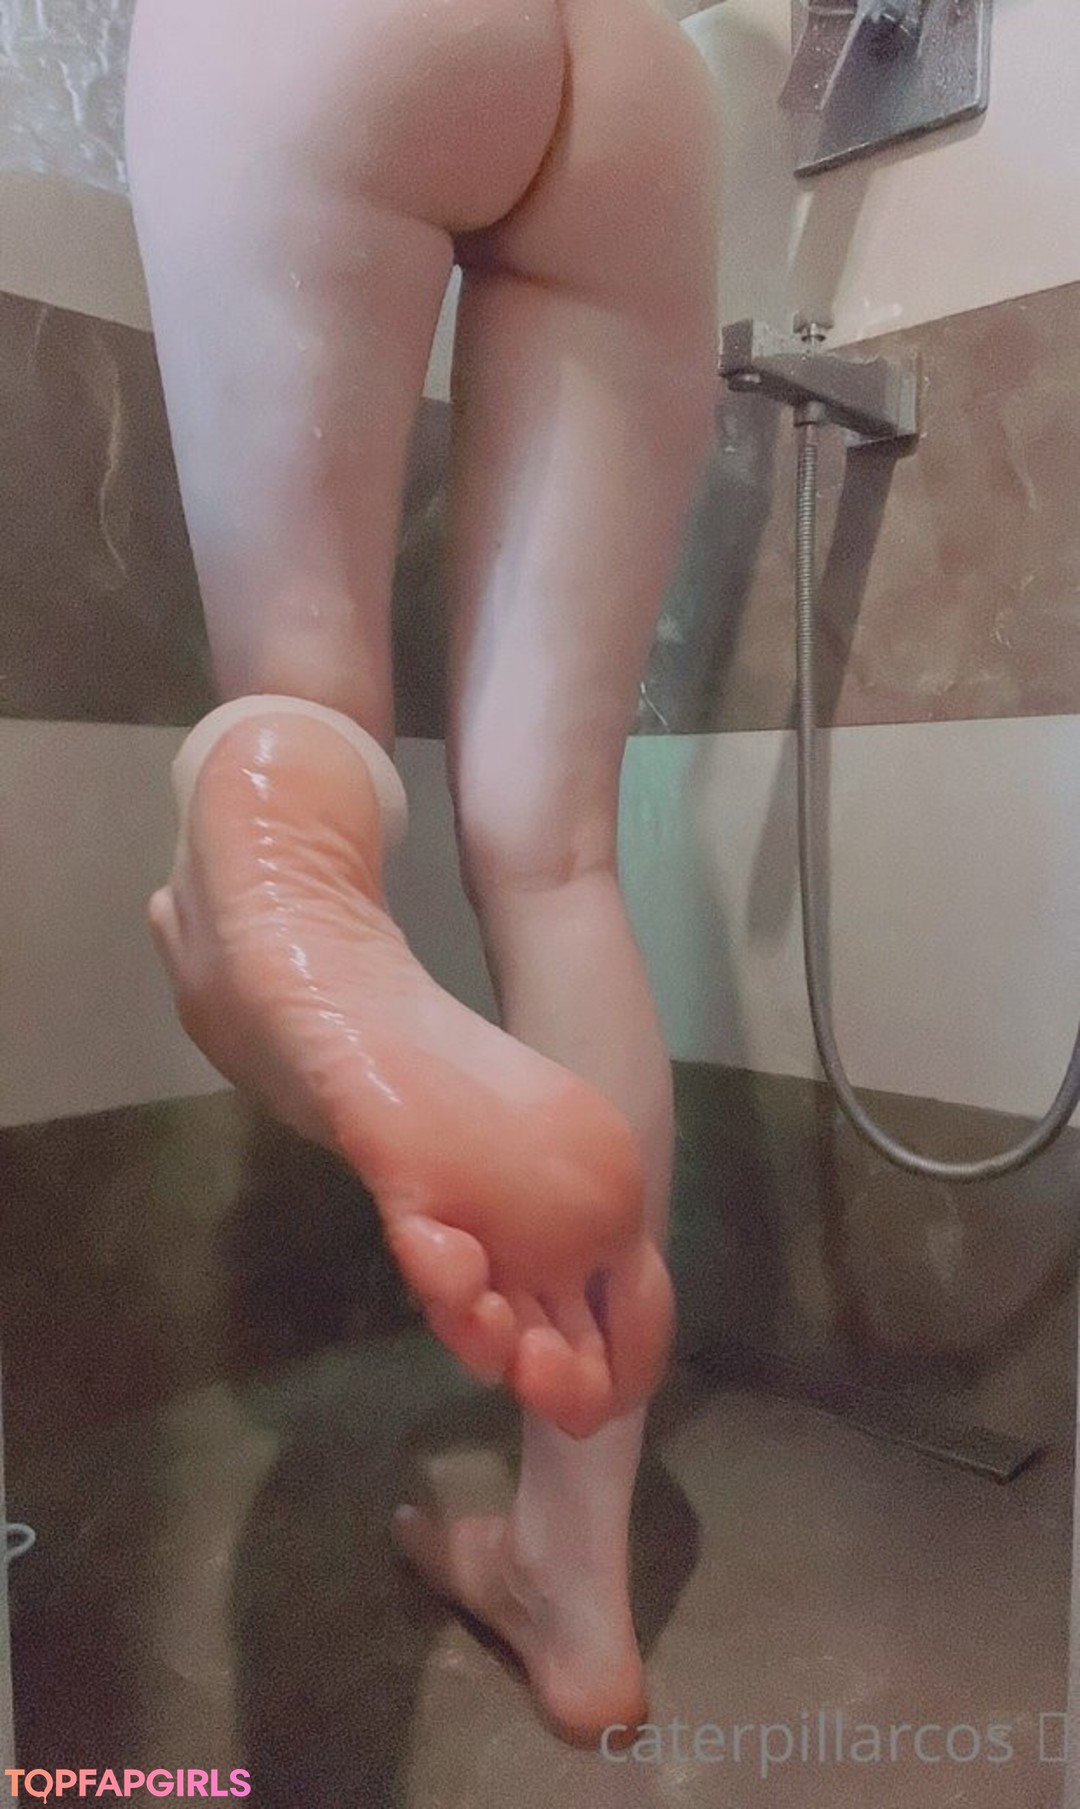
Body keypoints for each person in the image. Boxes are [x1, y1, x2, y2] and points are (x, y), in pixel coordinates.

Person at [124, 0, 720, 1744]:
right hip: (642, 75)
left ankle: (275, 830)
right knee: (558, 857)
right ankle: (576, 1586)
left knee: (304, 683)